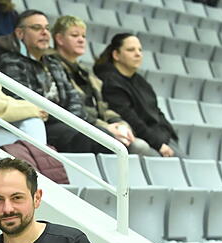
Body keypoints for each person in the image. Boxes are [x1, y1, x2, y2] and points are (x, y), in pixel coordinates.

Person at [0, 10, 111, 154]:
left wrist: (73, 121)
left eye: (47, 28)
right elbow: (24, 102)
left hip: (64, 124)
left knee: (107, 137)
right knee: (89, 139)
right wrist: (65, 120)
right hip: (39, 126)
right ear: (20, 33)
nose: (44, 33)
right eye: (37, 28)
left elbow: (73, 98)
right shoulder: (10, 61)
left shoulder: (53, 63)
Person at [52, 15, 158, 157]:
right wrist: (106, 127)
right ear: (59, 39)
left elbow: (103, 107)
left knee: (134, 142)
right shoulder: (53, 67)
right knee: (139, 146)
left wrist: (120, 123)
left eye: (83, 36)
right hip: (79, 128)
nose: (81, 40)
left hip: (98, 126)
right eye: (75, 35)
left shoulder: (86, 71)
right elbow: (72, 109)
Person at [94, 33, 181, 157]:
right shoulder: (109, 81)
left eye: (140, 50)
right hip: (140, 137)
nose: (138, 54)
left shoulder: (141, 82)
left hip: (158, 137)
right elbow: (129, 118)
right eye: (131, 50)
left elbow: (156, 111)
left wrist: (169, 134)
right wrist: (158, 144)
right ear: (116, 55)